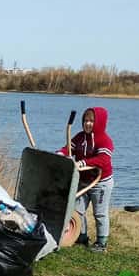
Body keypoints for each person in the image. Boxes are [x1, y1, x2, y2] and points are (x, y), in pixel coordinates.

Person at [57, 107, 114, 252]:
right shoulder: (80, 137)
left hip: (100, 183)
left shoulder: (104, 140)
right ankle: (81, 236)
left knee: (99, 213)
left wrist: (82, 163)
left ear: (99, 123)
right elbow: (69, 148)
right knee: (77, 210)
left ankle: (102, 243)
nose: (88, 124)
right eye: (85, 120)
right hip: (83, 181)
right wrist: (60, 154)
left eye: (91, 121)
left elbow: (103, 159)